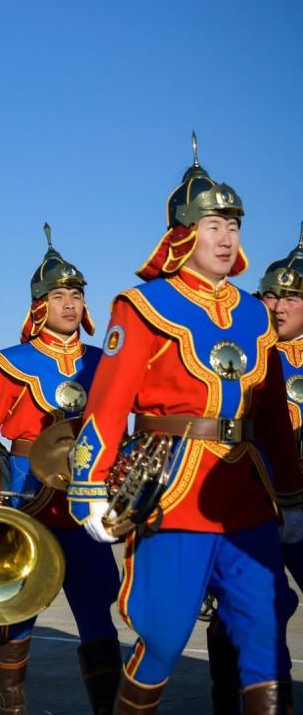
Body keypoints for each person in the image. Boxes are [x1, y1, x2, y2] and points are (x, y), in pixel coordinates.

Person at [67, 139, 303, 714]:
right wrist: (88, 486)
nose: (227, 239)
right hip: (173, 492)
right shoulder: (141, 306)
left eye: (234, 227)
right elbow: (109, 402)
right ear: (182, 235)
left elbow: (272, 413)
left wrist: (292, 496)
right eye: (213, 226)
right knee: (165, 636)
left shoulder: (255, 313)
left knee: (266, 631)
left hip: (247, 496)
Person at [0, 226, 121, 714]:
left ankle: (106, 707)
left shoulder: (103, 361)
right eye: (59, 296)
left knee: (95, 606)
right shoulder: (11, 363)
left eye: (77, 295)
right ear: (39, 306)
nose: (70, 304)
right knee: (17, 607)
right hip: (27, 497)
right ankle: (12, 707)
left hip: (85, 499)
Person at [208, 225, 303, 714]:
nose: (279, 306)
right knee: (239, 608)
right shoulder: (240, 354)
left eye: (292, 298)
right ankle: (228, 700)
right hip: (249, 504)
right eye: (271, 295)